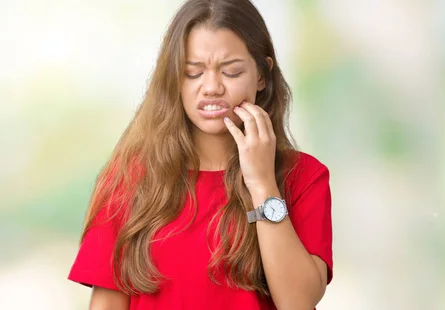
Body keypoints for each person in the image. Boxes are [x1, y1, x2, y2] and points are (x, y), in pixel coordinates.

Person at [67, 0, 333, 309]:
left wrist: (262, 185)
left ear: (262, 75)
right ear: (174, 79)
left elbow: (299, 303)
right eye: (193, 73)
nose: (211, 87)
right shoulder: (129, 176)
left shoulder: (304, 176)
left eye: (231, 72)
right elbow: (107, 304)